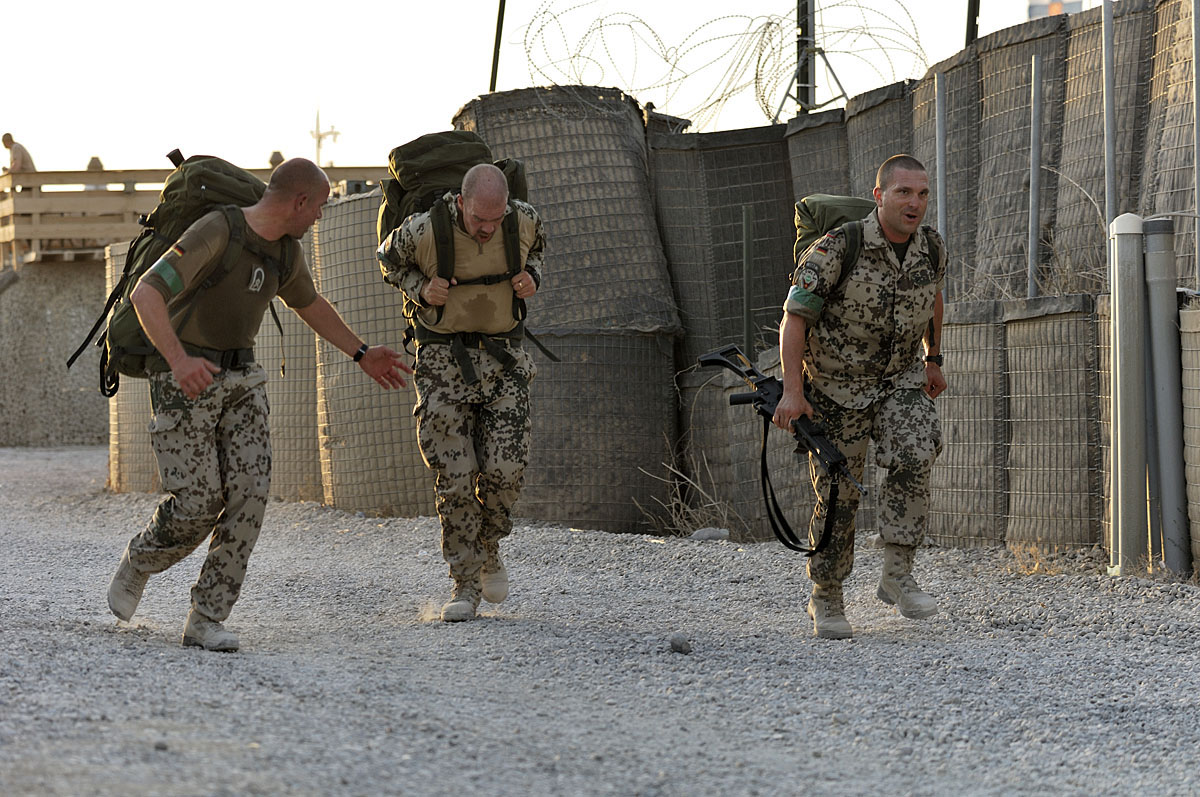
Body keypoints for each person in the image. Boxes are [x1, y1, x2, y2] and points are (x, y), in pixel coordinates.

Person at [106, 158, 413, 651]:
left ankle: (207, 617)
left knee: (250, 493)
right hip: (185, 377)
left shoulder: (286, 252)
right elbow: (146, 294)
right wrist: (179, 360)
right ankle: (140, 560)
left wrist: (361, 353)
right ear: (299, 201)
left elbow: (309, 303)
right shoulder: (219, 230)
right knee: (198, 503)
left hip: (242, 377)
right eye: (318, 206)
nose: (320, 216)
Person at [773, 154, 947, 640]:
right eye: (903, 192)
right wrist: (792, 392)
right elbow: (795, 318)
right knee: (838, 492)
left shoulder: (931, 248)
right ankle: (826, 594)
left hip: (899, 381)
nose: (915, 203)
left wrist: (933, 358)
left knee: (916, 452)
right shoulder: (838, 247)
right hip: (835, 388)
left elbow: (933, 298)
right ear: (879, 196)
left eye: (922, 194)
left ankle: (898, 575)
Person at [377, 163, 544, 622]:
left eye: (495, 219)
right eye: (478, 220)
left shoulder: (524, 220)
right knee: (454, 478)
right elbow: (387, 258)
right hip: (442, 362)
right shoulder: (424, 230)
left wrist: (532, 276)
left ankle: (489, 545)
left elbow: (537, 251)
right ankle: (465, 584)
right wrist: (419, 287)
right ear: (461, 202)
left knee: (506, 470)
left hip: (504, 360)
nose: (487, 230)